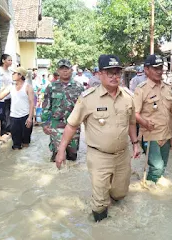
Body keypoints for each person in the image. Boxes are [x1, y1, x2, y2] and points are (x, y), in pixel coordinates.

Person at [55, 54, 140, 222]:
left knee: (121, 193)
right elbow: (72, 125)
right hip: (99, 156)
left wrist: (136, 143)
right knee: (100, 203)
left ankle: (111, 195)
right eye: (110, 73)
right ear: (99, 74)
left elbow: (131, 123)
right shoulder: (88, 99)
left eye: (117, 73)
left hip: (123, 155)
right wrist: (61, 150)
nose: (115, 76)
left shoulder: (129, 97)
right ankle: (100, 227)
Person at [134, 54, 172, 183]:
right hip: (150, 135)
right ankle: (149, 190)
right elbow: (134, 114)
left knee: (162, 166)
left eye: (160, 68)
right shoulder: (141, 89)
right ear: (146, 70)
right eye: (155, 68)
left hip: (166, 134)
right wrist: (145, 123)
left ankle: (154, 190)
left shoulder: (166, 87)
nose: (159, 71)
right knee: (157, 167)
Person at [41, 59, 85, 162]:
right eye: (62, 69)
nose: (64, 71)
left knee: (72, 155)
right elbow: (46, 106)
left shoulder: (79, 87)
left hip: (74, 125)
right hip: (56, 125)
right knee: (57, 154)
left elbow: (84, 107)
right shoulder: (51, 87)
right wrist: (44, 124)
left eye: (67, 69)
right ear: (58, 71)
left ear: (71, 70)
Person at [0, 67, 34, 149]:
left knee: (26, 144)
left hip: (25, 117)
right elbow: (0, 97)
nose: (12, 75)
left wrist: (30, 118)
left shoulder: (27, 87)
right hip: (13, 118)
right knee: (16, 145)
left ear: (20, 75)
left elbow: (32, 103)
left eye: (14, 73)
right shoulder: (10, 87)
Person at [0, 54, 13, 137]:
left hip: (10, 95)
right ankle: (3, 131)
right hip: (1, 95)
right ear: (3, 60)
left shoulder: (10, 72)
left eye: (11, 60)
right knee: (2, 113)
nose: (10, 62)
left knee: (9, 113)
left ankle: (9, 129)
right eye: (9, 60)